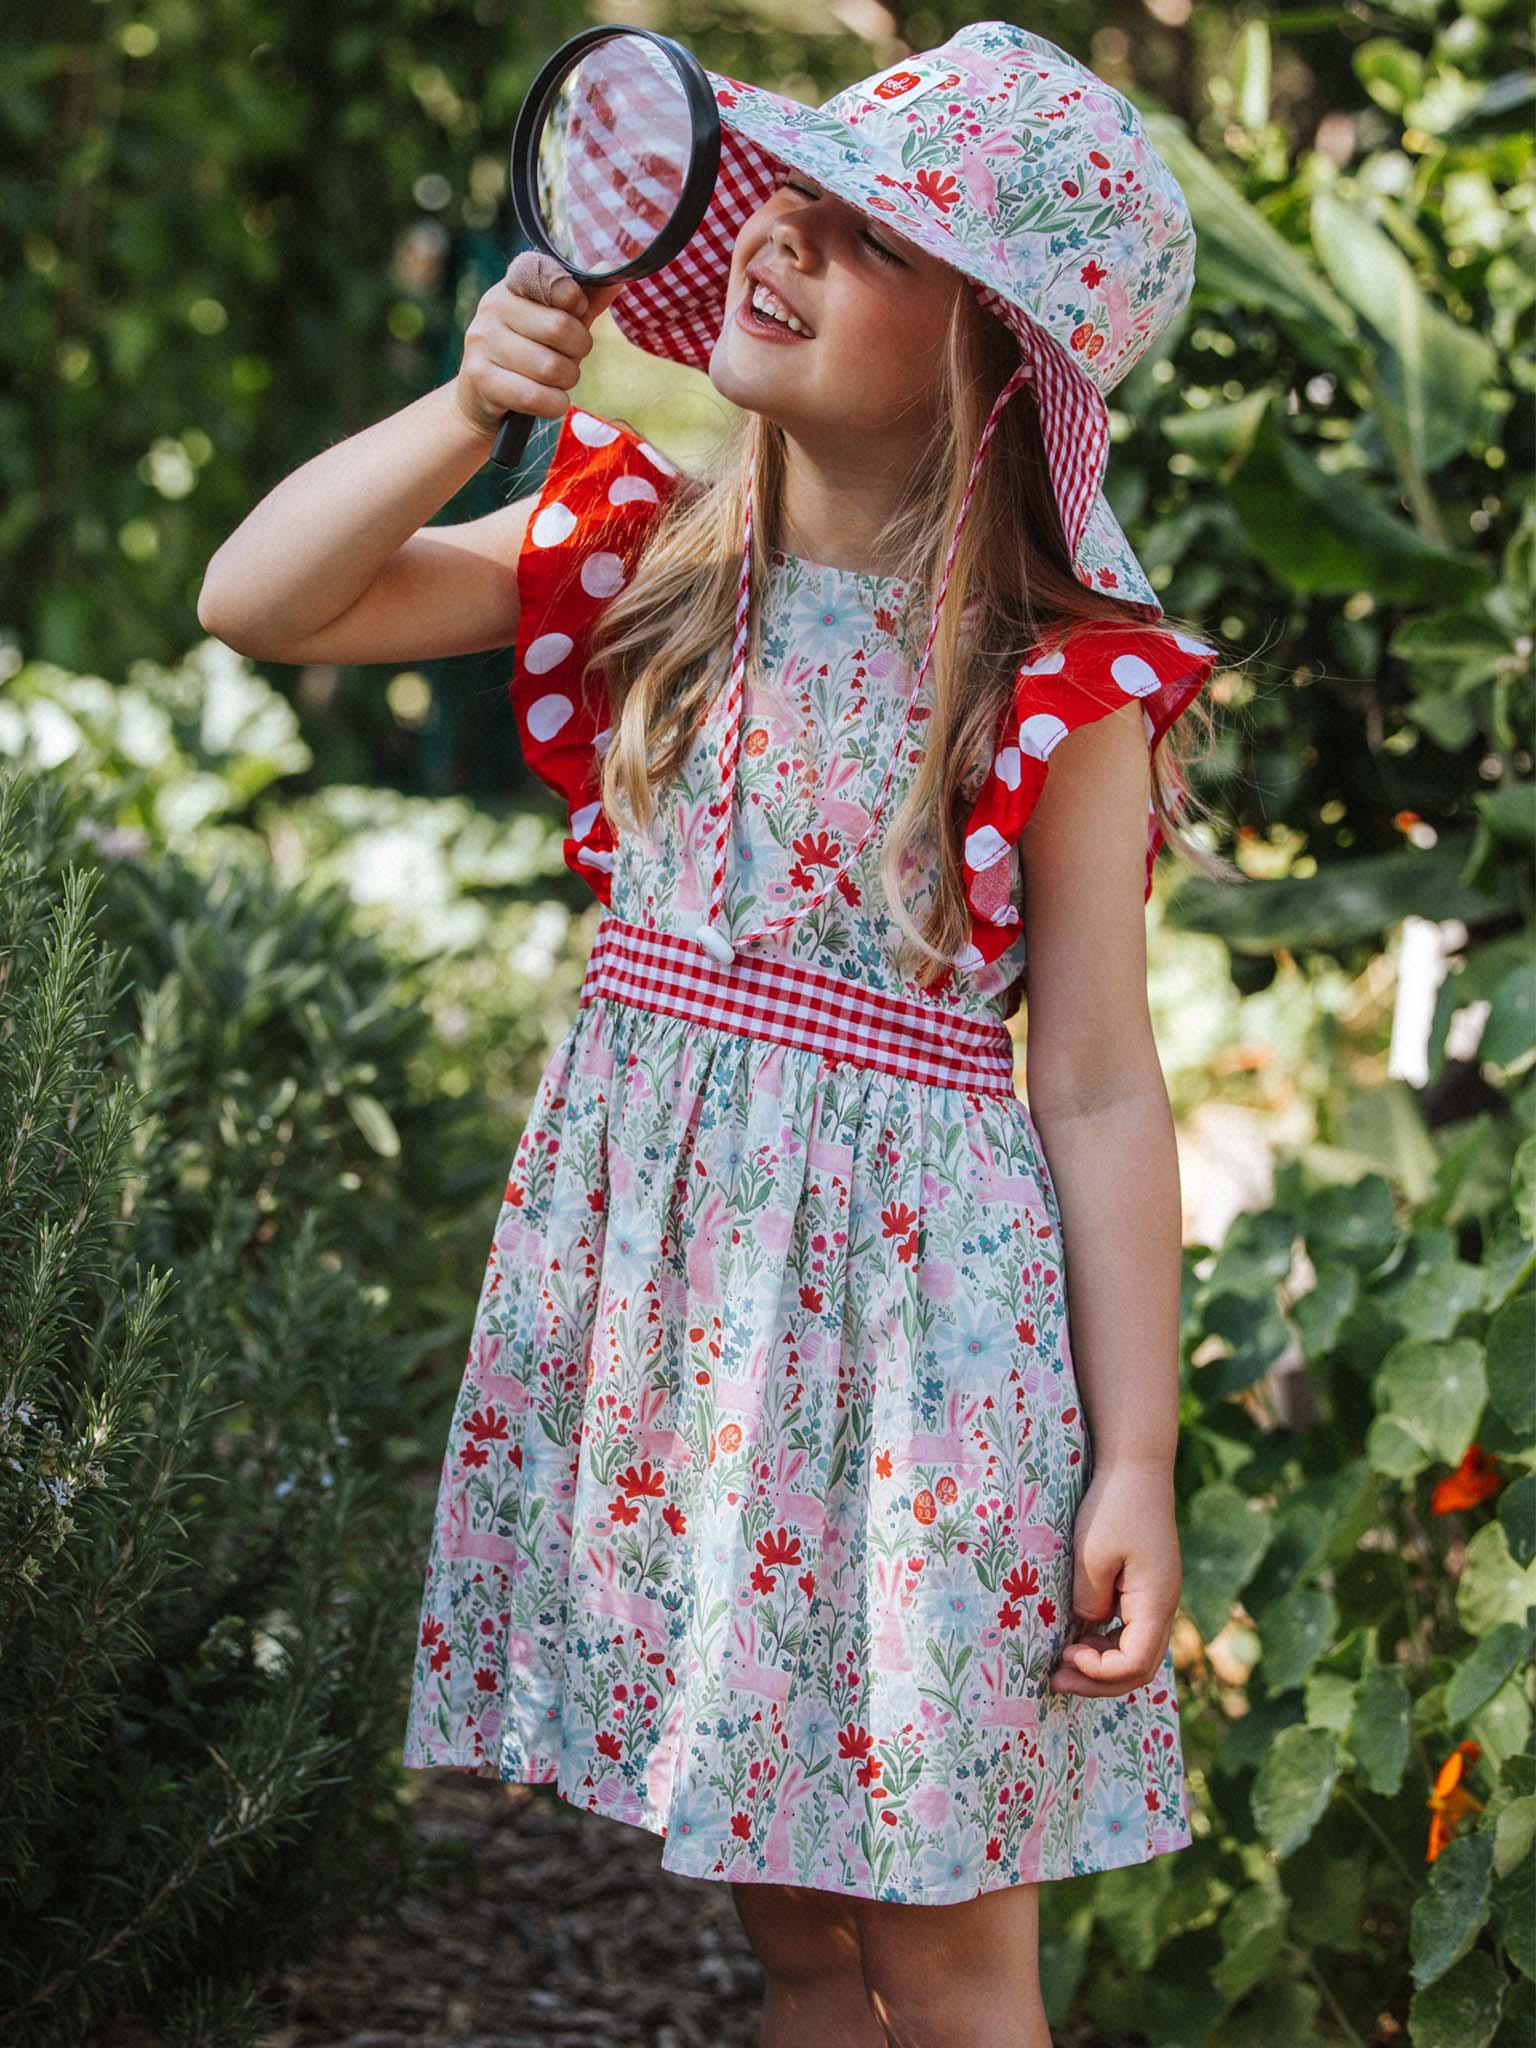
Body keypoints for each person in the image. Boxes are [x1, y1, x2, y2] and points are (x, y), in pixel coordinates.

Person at [198, 22, 1236, 2047]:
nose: (777, 239)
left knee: (939, 1944)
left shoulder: (1057, 679)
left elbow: (1101, 1082)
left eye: (863, 238)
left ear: (986, 357)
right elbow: (264, 599)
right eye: (788, 197)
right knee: (790, 1927)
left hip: (925, 1384)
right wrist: (467, 406)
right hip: (692, 1355)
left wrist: (1138, 1458)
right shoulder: (649, 557)